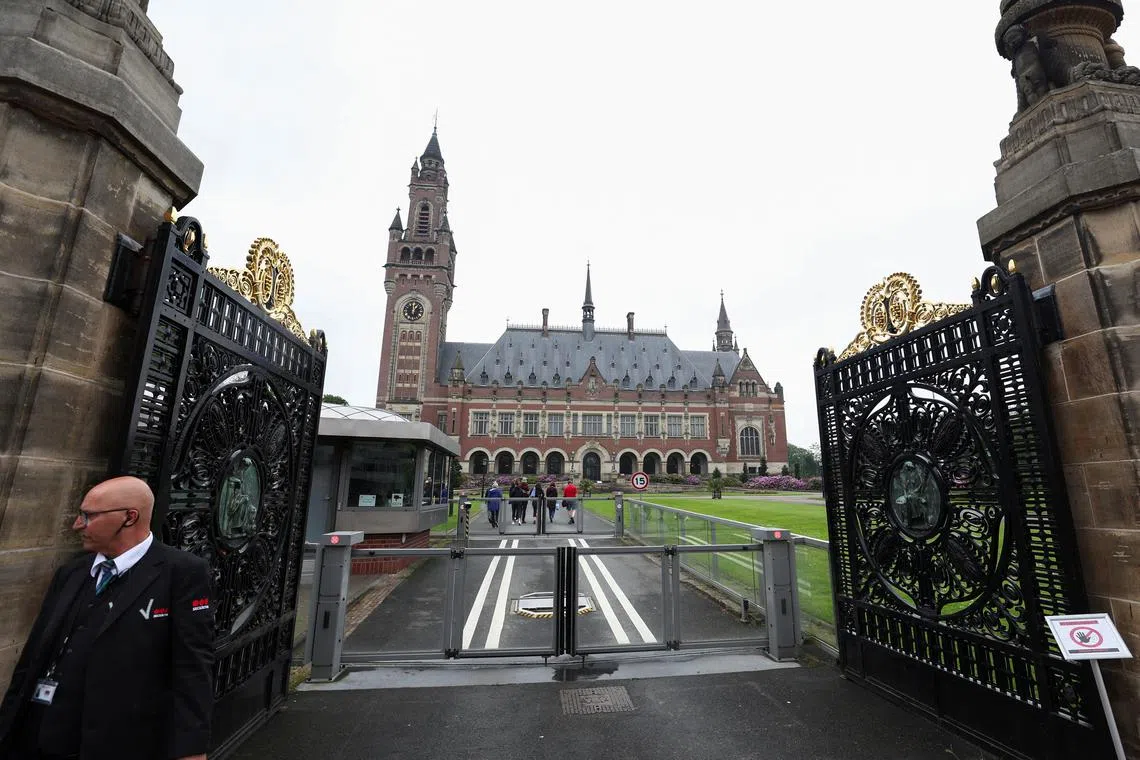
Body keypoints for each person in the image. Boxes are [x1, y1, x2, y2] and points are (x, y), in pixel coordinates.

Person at [0, 476, 214, 760]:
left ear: (129, 517)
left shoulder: (182, 572)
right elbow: (34, 654)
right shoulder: (72, 572)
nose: (77, 524)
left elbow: (192, 666)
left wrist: (191, 748)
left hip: (114, 741)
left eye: (88, 516)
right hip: (39, 734)